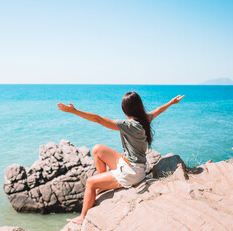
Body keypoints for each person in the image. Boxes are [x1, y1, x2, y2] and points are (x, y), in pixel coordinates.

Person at [57, 91, 185, 224]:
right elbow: (158, 110)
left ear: (125, 109)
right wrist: (171, 102)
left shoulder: (128, 125)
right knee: (97, 149)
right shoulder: (144, 119)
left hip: (131, 172)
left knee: (90, 183)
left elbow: (98, 119)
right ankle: (103, 185)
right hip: (132, 166)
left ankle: (82, 217)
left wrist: (74, 111)